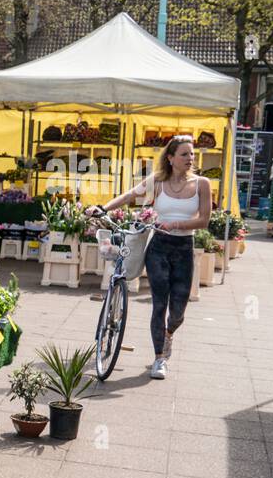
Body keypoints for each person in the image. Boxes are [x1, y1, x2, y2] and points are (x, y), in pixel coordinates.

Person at [90, 135, 210, 380]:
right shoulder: (157, 181)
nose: (191, 158)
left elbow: (204, 220)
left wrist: (175, 223)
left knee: (178, 310)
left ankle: (168, 336)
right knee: (159, 304)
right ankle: (159, 359)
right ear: (171, 157)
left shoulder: (202, 184)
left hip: (184, 247)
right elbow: (128, 196)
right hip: (158, 248)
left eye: (192, 154)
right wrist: (104, 208)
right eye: (185, 154)